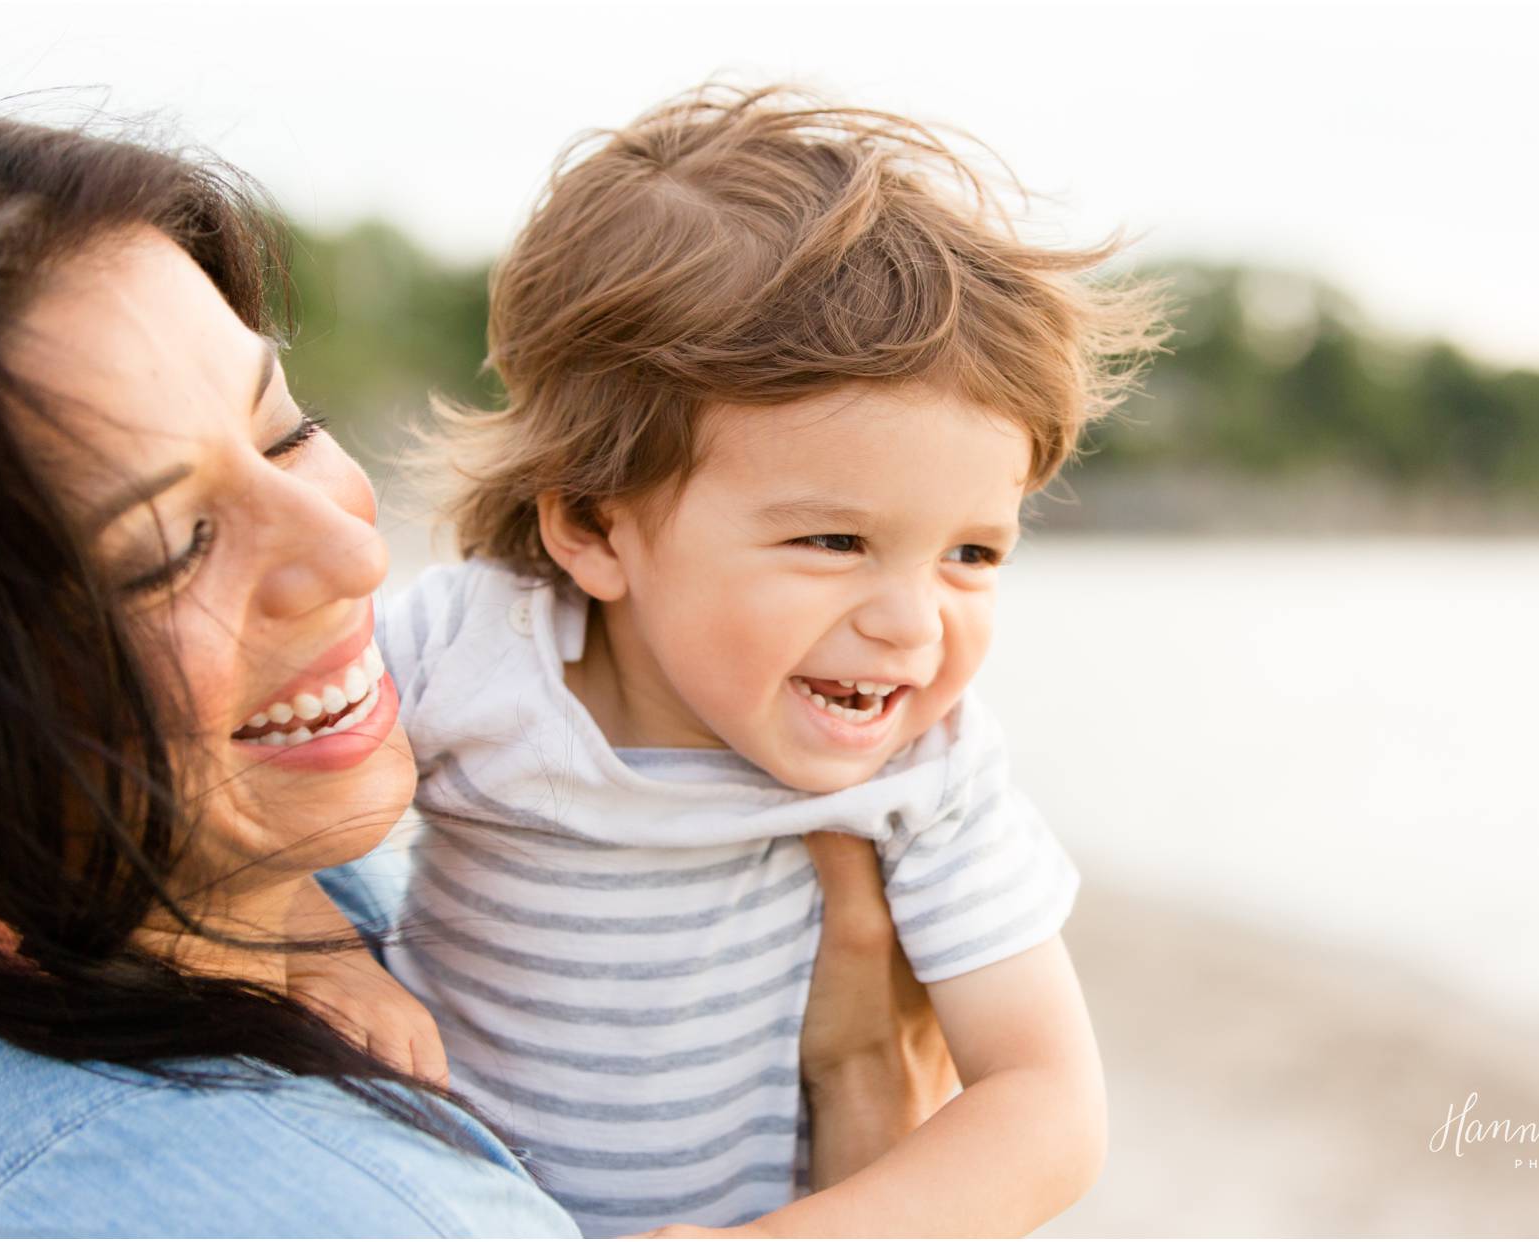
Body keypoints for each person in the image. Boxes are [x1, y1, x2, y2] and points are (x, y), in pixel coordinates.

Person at [0, 114, 954, 1238]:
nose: (354, 552)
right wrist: (868, 1078)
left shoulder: (262, 888)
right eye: (170, 546)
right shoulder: (346, 1209)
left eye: (287, 434)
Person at [345, 84, 1168, 1237]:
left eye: (972, 553)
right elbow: (223, 769)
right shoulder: (472, 649)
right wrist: (300, 943)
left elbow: (1047, 1106)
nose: (912, 624)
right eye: (835, 541)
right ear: (595, 527)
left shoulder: (930, 771)